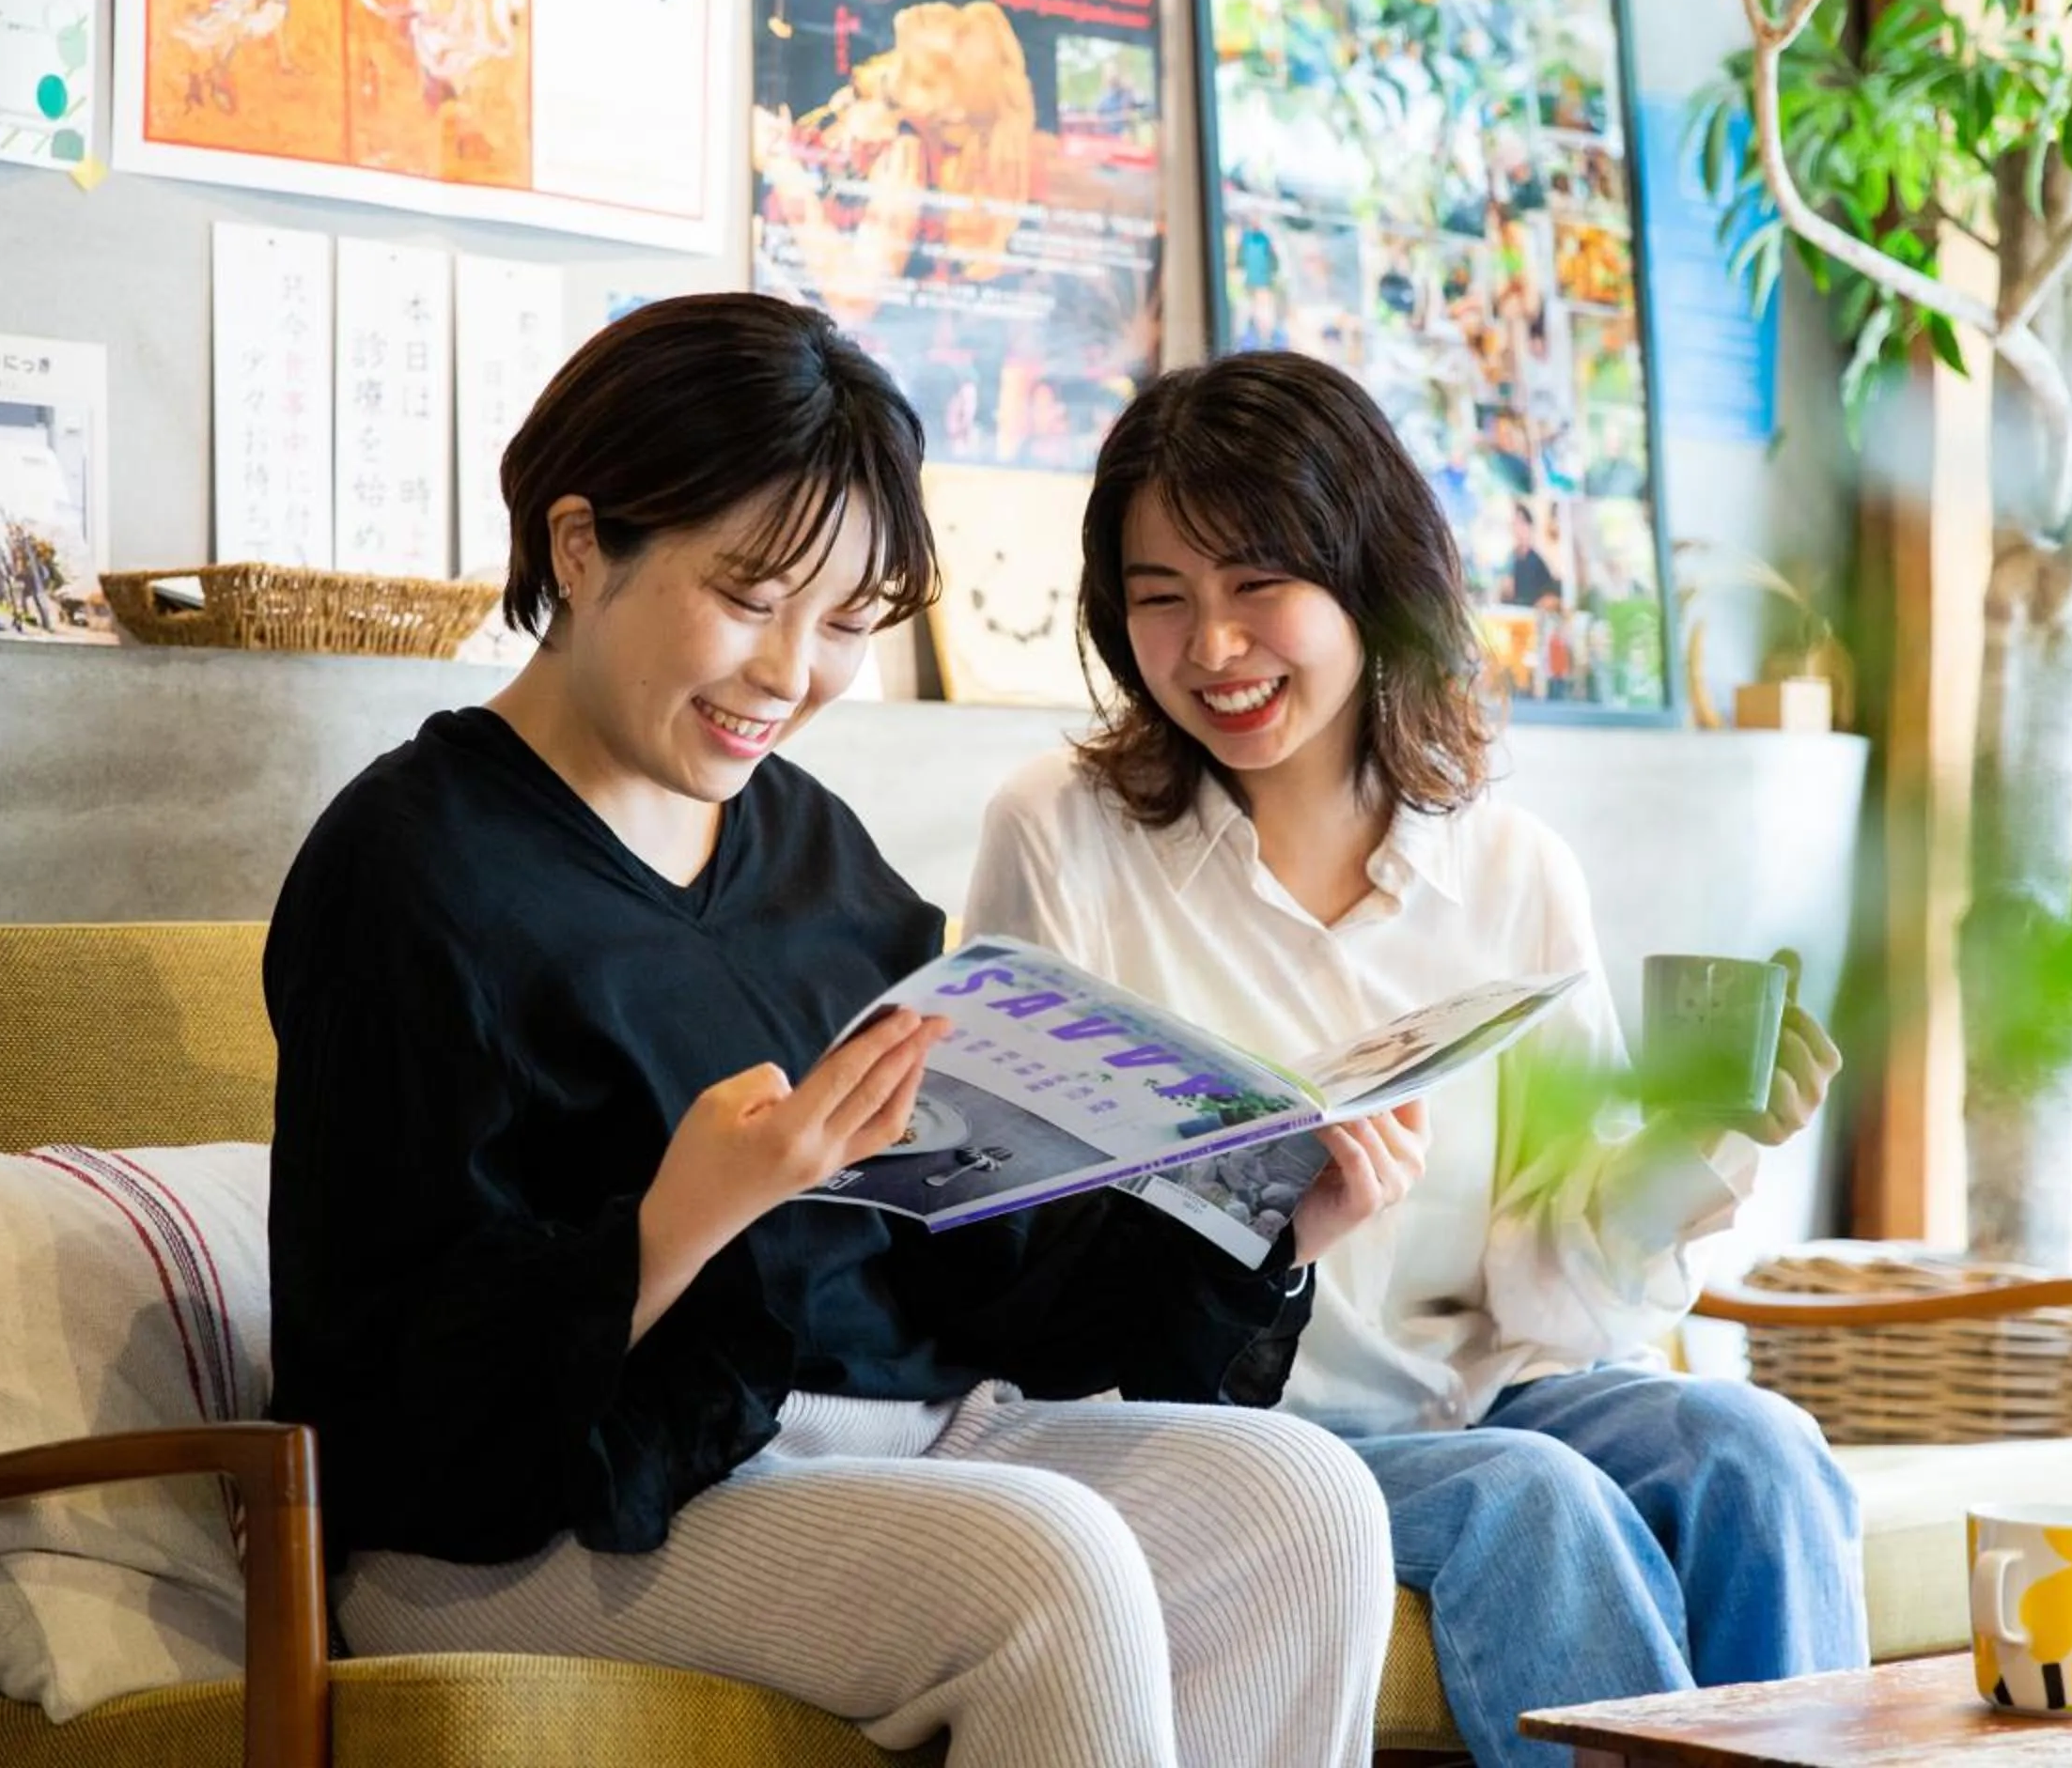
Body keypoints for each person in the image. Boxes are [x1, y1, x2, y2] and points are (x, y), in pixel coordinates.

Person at [265, 298, 1394, 1768]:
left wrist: (1268, 1220)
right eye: (750, 597)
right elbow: (381, 1387)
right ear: (581, 544)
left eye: (849, 623)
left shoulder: (810, 850)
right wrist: (677, 1220)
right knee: (1042, 1561)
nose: (794, 673)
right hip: (534, 1510)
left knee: (1304, 1505)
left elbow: (984, 1266)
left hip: (887, 1439)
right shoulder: (411, 868)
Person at [963, 350, 1867, 1768]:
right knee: (1529, 1502)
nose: (1212, 648)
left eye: (1259, 584)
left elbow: (1550, 1299)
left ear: (1372, 582)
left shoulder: (1509, 872)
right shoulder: (1061, 834)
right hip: (1204, 1429)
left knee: (1758, 1453)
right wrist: (1263, 1202)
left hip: (1468, 1394)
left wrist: (1695, 1145)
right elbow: (1007, 1242)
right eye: (1160, 600)